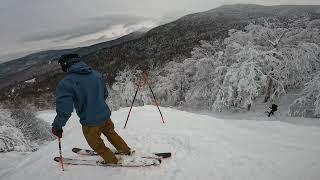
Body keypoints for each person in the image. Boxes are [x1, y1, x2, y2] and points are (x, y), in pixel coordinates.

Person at [51, 53, 131, 164]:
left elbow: (65, 109)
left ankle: (112, 160)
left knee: (95, 143)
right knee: (112, 134)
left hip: (90, 121)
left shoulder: (66, 83)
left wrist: (57, 126)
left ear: (65, 65)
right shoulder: (95, 74)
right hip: (104, 115)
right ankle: (125, 150)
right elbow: (104, 94)